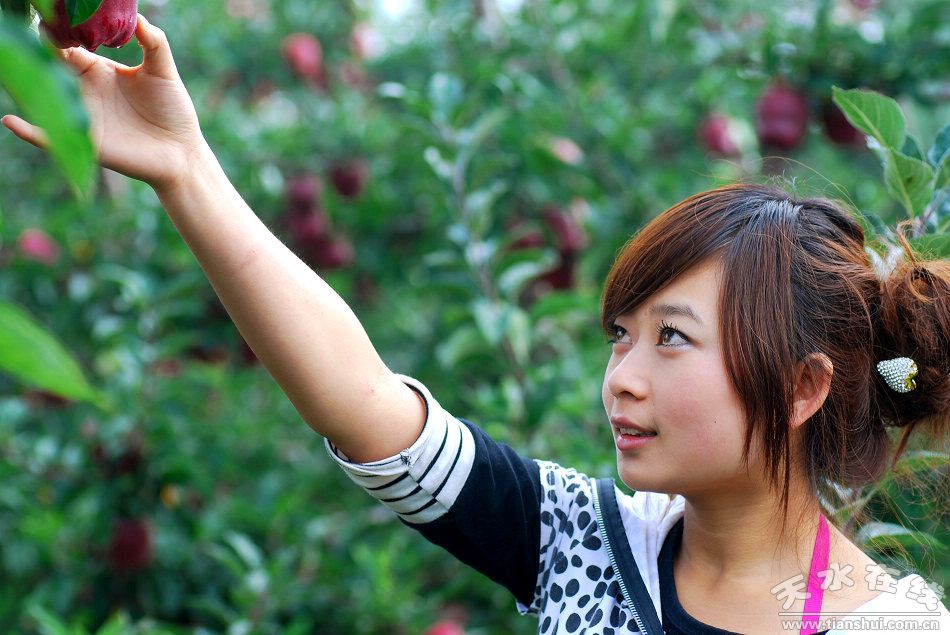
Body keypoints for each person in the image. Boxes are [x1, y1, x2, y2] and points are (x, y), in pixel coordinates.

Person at [4, 15, 949, 635]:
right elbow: (365, 404)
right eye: (619, 336)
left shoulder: (893, 627)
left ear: (801, 385)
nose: (621, 376)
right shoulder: (586, 542)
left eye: (671, 337)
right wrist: (186, 169)